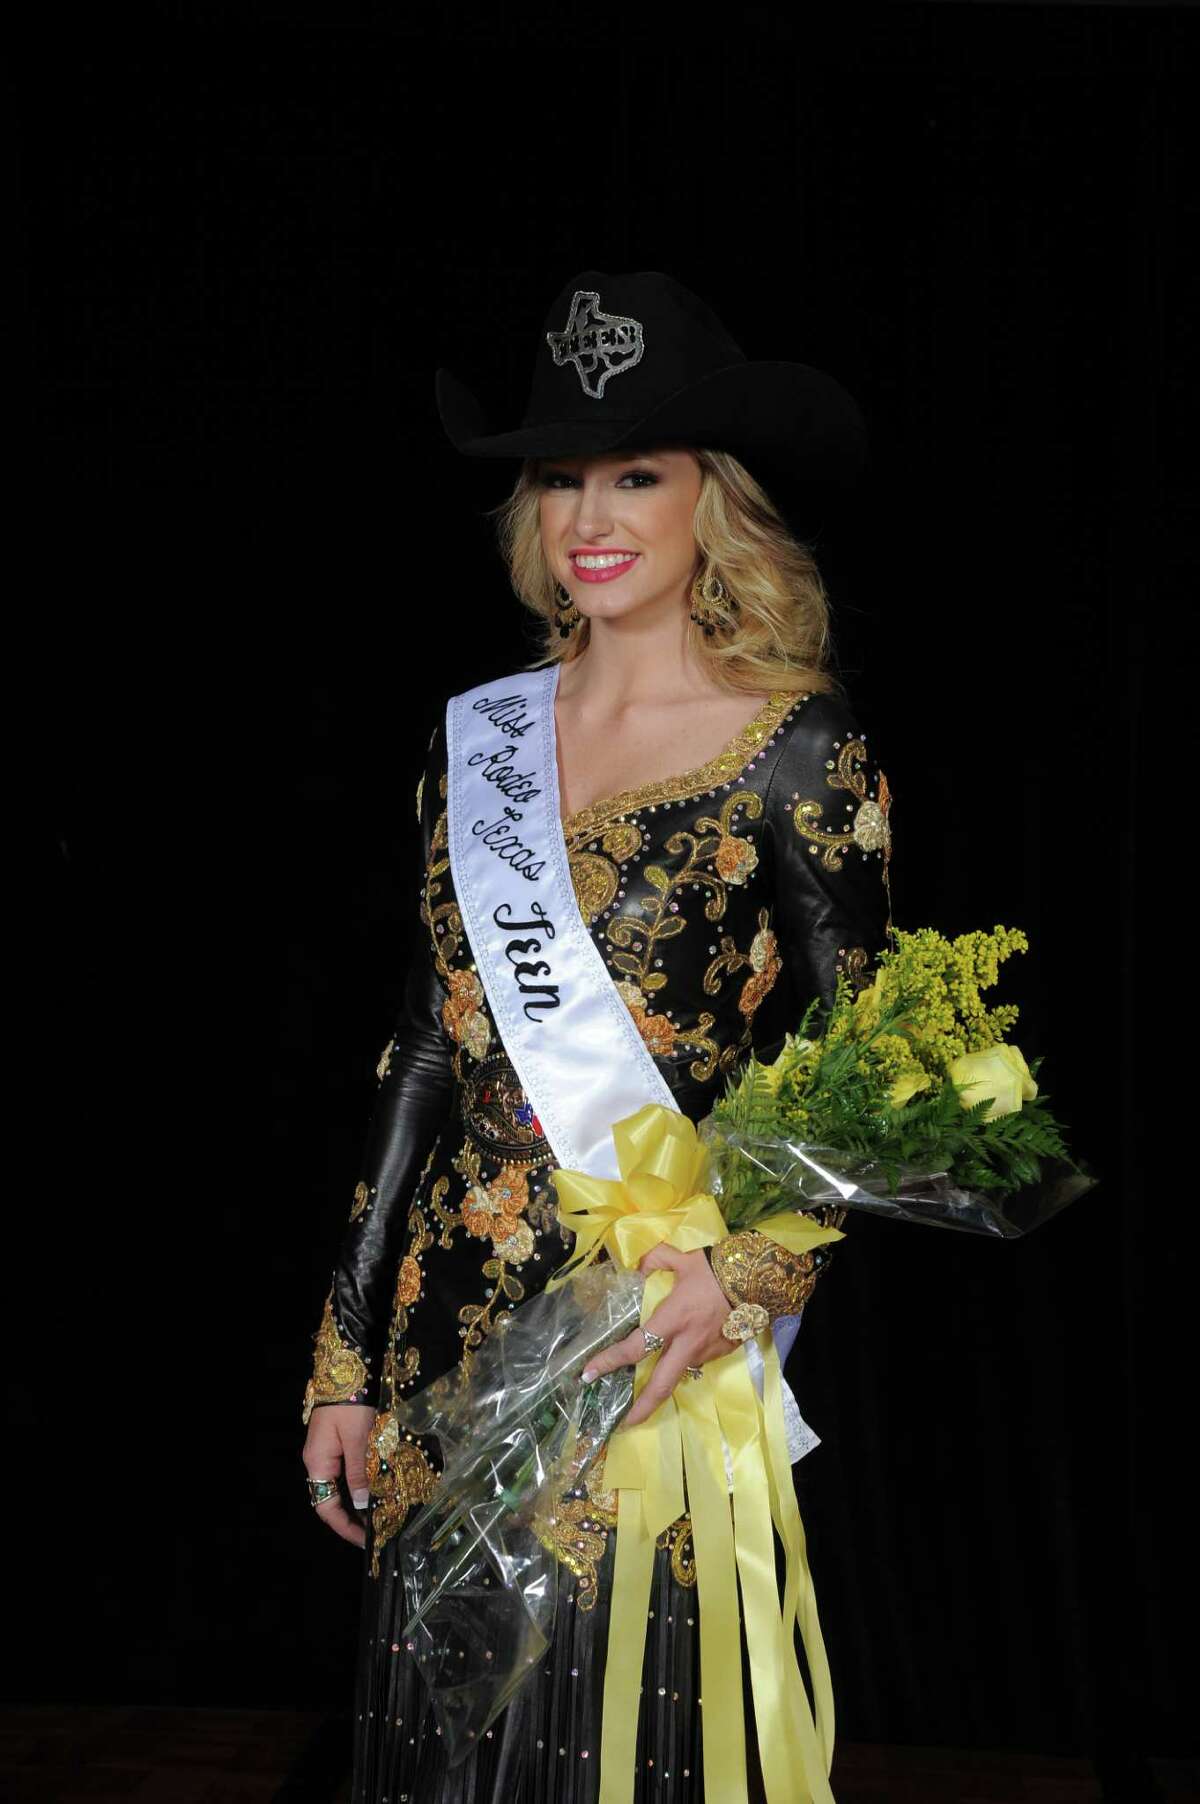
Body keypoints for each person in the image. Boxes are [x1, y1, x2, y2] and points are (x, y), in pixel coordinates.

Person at [301, 269, 896, 1804]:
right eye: (562, 478)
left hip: (646, 1318)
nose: (591, 516)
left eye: (637, 473)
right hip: (446, 1321)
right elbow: (424, 1047)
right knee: (440, 1748)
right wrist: (343, 1357)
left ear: (716, 501)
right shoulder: (475, 743)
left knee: (614, 1735)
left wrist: (745, 1269)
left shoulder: (798, 745)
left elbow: (878, 1061)